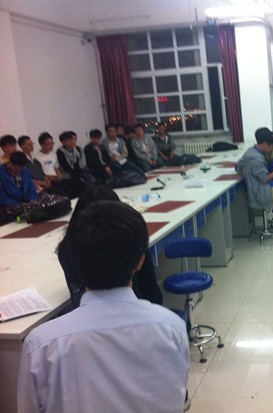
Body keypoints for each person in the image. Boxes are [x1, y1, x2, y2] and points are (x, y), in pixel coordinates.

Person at [17, 201, 189, 413]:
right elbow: (176, 397)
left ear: (74, 263)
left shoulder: (41, 345)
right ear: (140, 262)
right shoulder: (173, 327)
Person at [57, 186, 163, 308]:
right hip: (135, 309)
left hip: (88, 311)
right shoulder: (128, 241)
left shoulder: (68, 250)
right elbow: (152, 291)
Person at [56, 130, 94, 197]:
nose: (72, 141)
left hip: (77, 172)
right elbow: (66, 167)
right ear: (62, 142)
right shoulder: (60, 152)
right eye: (68, 140)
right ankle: (85, 197)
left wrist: (79, 174)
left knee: (88, 176)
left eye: (72, 139)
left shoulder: (76, 149)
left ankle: (91, 195)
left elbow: (79, 164)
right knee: (79, 182)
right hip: (67, 174)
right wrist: (77, 176)